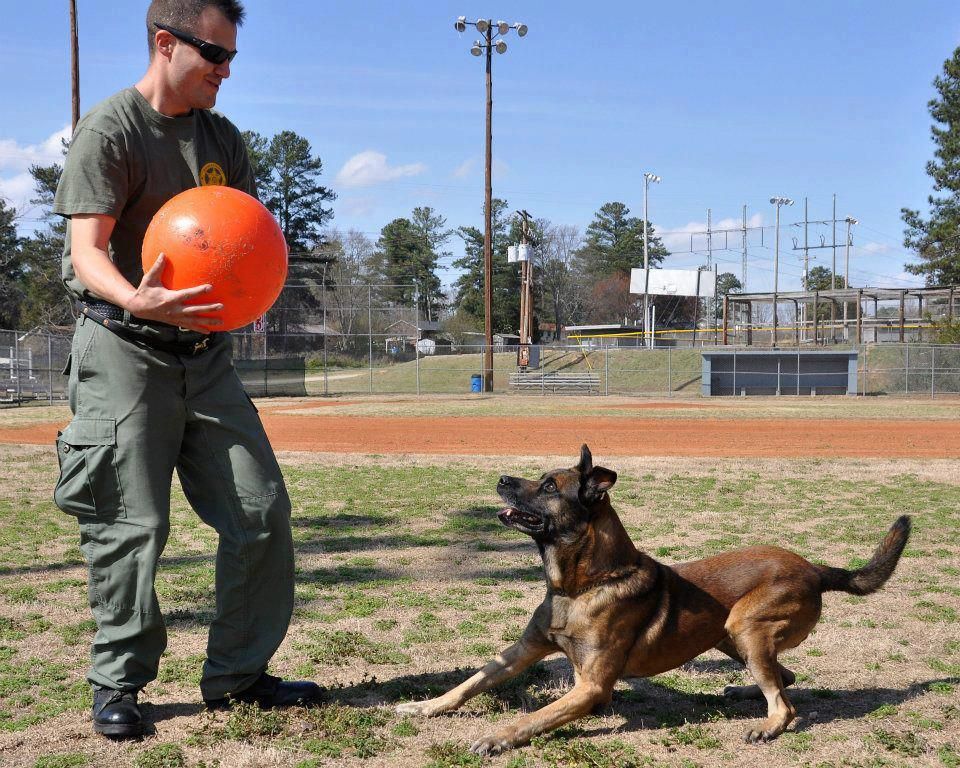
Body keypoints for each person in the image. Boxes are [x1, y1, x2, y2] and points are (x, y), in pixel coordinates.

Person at [52, 0, 320, 739]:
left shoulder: (221, 139)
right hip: (124, 350)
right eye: (214, 55)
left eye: (232, 58)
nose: (226, 71)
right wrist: (140, 300)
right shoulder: (111, 130)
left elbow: (238, 242)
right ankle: (119, 682)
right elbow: (86, 253)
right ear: (166, 43)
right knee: (129, 524)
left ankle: (238, 675)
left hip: (205, 356)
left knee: (260, 509)